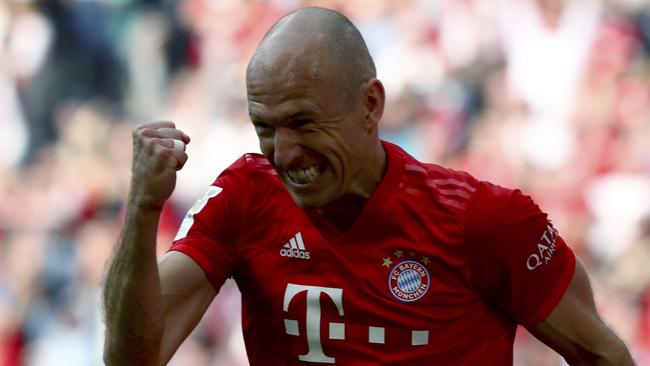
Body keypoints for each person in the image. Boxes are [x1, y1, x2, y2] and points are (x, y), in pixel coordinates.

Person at [102, 7, 636, 366]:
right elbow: (132, 357)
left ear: (370, 105)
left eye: (304, 123)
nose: (283, 154)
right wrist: (145, 207)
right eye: (264, 127)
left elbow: (604, 355)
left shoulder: (486, 220)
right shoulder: (245, 196)